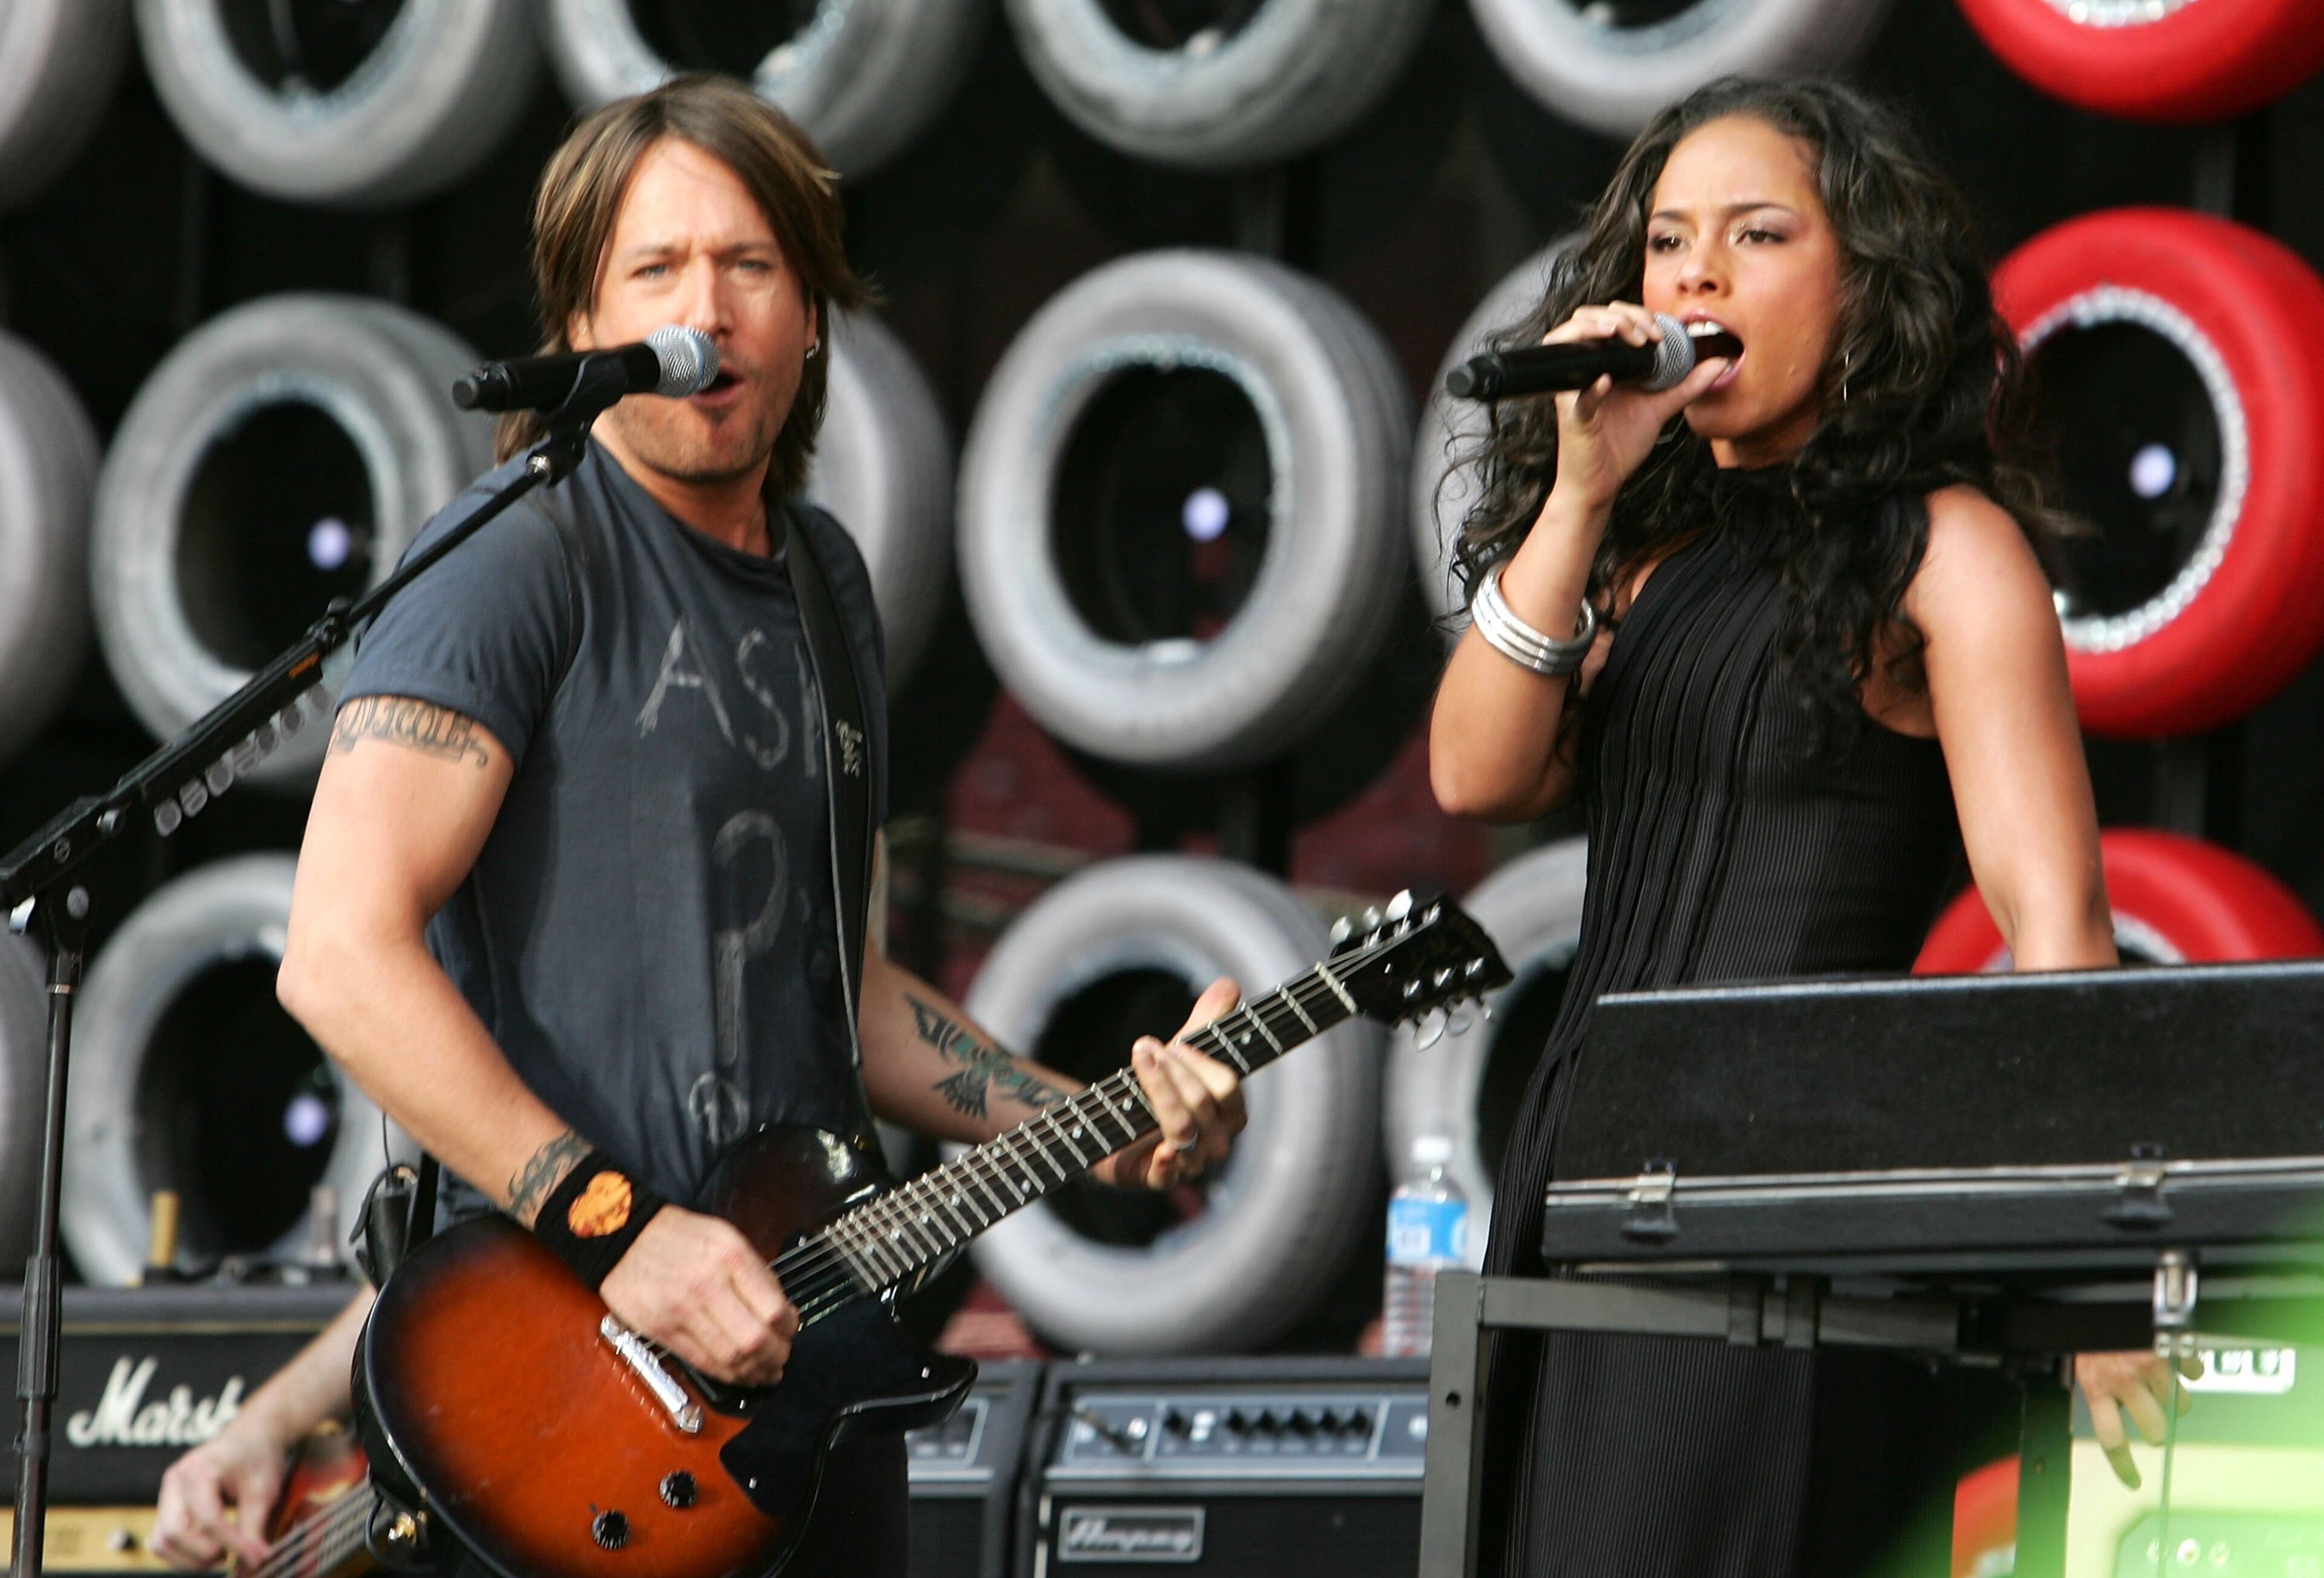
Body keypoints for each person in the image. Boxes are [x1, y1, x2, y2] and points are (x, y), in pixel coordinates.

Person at [150, 74, 1247, 1574]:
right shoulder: (510, 567)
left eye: (748, 265)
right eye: (656, 271)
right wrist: (621, 1231)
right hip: (573, 1404)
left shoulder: (827, 584)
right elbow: (339, 956)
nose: (709, 310)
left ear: (810, 308)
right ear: (586, 323)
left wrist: (1094, 1126)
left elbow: (836, 995)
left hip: (799, 1400)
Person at [1428, 77, 2184, 1577]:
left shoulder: (1945, 552)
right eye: (1666, 243)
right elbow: (1473, 775)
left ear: (1864, 285)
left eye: (1756, 236)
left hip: (1785, 1208)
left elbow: (2056, 926)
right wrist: (1580, 489)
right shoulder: (1645, 543)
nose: (1694, 277)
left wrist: (2103, 1278)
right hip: (1574, 1174)